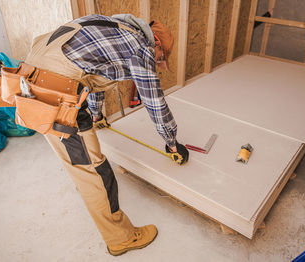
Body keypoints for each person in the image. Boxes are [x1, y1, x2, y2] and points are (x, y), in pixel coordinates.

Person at [23, 14, 189, 256]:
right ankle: (121, 238)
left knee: (82, 162)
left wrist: (96, 116)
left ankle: (89, 188)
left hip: (38, 77)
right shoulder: (140, 47)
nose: (157, 62)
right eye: (160, 58)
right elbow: (154, 102)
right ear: (157, 44)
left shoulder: (112, 28)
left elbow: (92, 77)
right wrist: (172, 143)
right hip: (56, 92)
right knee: (95, 170)